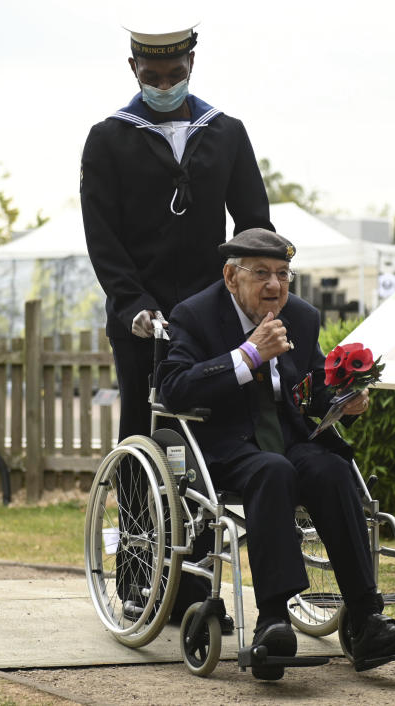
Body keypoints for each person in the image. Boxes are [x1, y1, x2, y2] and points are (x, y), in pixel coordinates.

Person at [158, 228, 395, 681]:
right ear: (230, 276)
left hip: (288, 440)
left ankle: (366, 620)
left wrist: (345, 400)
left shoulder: (301, 317)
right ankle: (272, 620)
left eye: (283, 275)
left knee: (332, 469)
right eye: (261, 274)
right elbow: (175, 387)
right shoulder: (194, 315)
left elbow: (311, 390)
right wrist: (247, 355)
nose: (275, 286)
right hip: (225, 446)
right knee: (273, 472)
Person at [80, 18, 273, 622]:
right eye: (153, 75)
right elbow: (102, 237)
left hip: (210, 317)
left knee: (207, 444)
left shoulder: (227, 132)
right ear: (133, 70)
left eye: (176, 74)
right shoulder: (107, 138)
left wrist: (254, 293)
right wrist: (132, 306)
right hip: (142, 317)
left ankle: (195, 581)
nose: (165, 83)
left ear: (192, 67)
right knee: (144, 438)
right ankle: (138, 577)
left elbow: (252, 225)